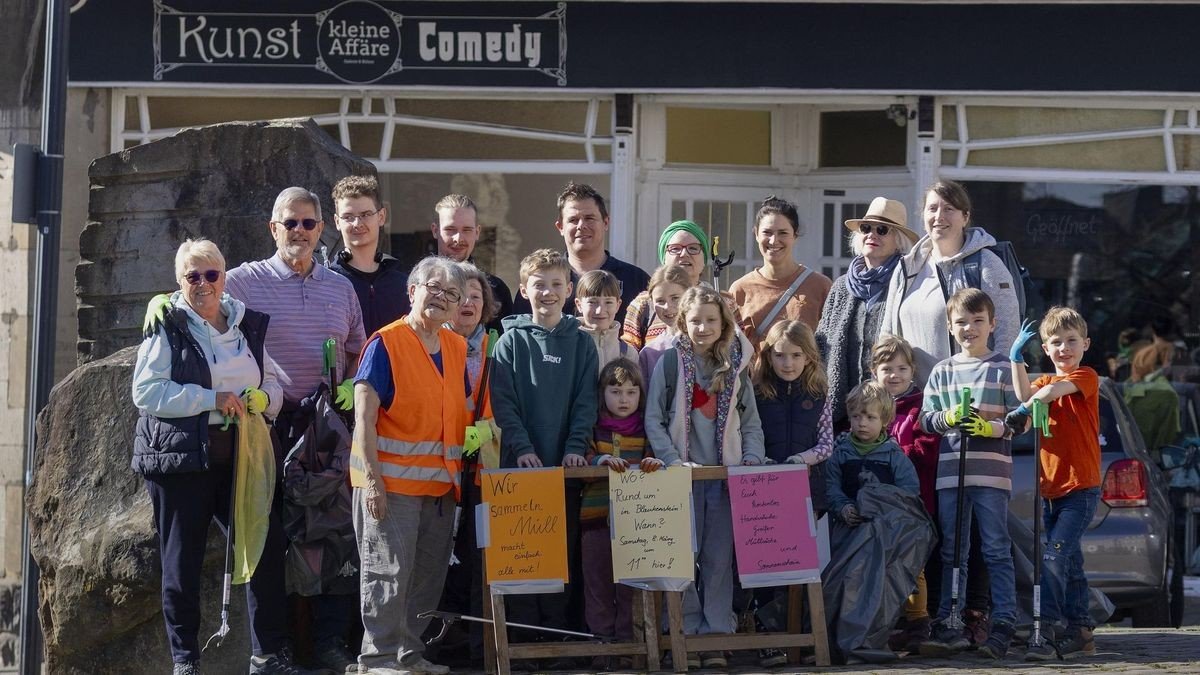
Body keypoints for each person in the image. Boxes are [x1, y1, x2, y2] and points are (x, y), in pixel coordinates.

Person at [132, 238, 298, 675]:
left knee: (266, 545)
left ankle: (267, 655)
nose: (203, 284)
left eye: (212, 274)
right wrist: (212, 398)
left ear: (225, 278)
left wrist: (262, 398)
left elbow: (277, 386)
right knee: (181, 561)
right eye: (193, 275)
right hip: (182, 459)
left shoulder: (247, 324)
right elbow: (146, 392)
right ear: (178, 281)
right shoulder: (167, 323)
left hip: (241, 457)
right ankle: (185, 661)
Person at [225, 186, 366, 672]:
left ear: (321, 229)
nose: (300, 232)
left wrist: (349, 386)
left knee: (332, 535)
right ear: (273, 228)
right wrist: (162, 302)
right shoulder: (243, 282)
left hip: (325, 426)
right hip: (268, 424)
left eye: (308, 223)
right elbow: (196, 298)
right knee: (266, 539)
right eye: (290, 223)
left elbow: (356, 350)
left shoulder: (340, 287)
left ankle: (329, 644)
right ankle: (271, 649)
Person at [349, 256, 470, 675]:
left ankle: (408, 656)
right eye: (432, 287)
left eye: (451, 293)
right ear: (412, 290)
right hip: (390, 486)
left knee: (426, 577)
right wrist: (372, 482)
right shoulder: (386, 343)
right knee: (387, 574)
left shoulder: (456, 347)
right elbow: (363, 418)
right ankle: (378, 659)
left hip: (439, 491)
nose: (441, 297)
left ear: (457, 307)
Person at [646, 286, 764, 670]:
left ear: (724, 323)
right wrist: (668, 458)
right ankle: (685, 632)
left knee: (717, 558)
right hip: (680, 478)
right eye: (695, 320)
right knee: (682, 557)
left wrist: (751, 457)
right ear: (683, 321)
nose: (702, 327)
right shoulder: (670, 363)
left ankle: (716, 634)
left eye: (711, 320)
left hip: (723, 478)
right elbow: (654, 419)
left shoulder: (735, 364)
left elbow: (750, 422)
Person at [490, 248, 599, 651]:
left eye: (556, 284)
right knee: (521, 557)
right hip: (519, 472)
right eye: (539, 285)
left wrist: (574, 448)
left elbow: (586, 402)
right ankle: (521, 644)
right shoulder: (508, 342)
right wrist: (520, 448)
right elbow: (504, 403)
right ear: (524, 289)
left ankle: (555, 643)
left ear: (569, 290)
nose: (548, 292)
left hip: (565, 471)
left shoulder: (583, 344)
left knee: (560, 556)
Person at [918, 288, 1021, 660]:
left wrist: (988, 427)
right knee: (952, 550)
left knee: (995, 548)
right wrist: (947, 419)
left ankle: (1005, 618)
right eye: (961, 321)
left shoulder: (1003, 368)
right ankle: (949, 619)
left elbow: (1017, 419)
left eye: (978, 321)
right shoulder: (942, 371)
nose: (969, 328)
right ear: (949, 326)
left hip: (991, 476)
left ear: (992, 324)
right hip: (951, 475)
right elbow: (925, 419)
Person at [1006, 307, 1101, 661]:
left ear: (1085, 344)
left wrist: (1021, 414)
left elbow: (1046, 395)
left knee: (1053, 560)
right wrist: (1017, 359)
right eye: (1055, 343)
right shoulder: (1043, 382)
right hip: (1051, 491)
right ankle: (1081, 631)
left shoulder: (1086, 376)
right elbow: (1023, 393)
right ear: (1045, 349)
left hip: (1081, 488)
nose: (1064, 348)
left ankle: (1043, 630)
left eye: (1071, 341)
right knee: (1071, 562)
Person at [749, 319, 833, 668]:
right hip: (764, 490)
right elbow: (748, 433)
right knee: (765, 565)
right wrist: (762, 461)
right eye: (780, 355)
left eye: (796, 355)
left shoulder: (818, 394)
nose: (788, 363)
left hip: (806, 489)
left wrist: (803, 459)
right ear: (769, 356)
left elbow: (827, 442)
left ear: (809, 357)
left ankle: (802, 634)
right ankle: (770, 635)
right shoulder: (757, 392)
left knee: (803, 565)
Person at [881, 180, 1020, 387]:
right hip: (911, 399)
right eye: (932, 208)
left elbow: (1007, 330)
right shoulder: (907, 267)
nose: (939, 216)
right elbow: (888, 333)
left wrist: (993, 386)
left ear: (965, 217)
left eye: (949, 209)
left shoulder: (986, 264)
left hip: (967, 395)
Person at [435, 262, 500, 667]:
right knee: (436, 563)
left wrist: (486, 429)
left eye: (476, 296)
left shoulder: (497, 346)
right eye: (461, 295)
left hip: (482, 473)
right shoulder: (430, 344)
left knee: (478, 563)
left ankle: (479, 651)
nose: (468, 303)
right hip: (437, 471)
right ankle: (436, 644)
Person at [580, 359, 663, 671]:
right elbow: (584, 462)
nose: (624, 399)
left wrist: (652, 464)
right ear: (603, 394)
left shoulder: (647, 431)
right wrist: (599, 461)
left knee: (630, 589)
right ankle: (602, 647)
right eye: (616, 392)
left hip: (635, 525)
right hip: (596, 520)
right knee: (597, 586)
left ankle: (630, 647)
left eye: (631, 392)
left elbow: (655, 462)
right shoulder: (593, 428)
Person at [816, 197, 920, 430]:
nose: (872, 234)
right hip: (842, 412)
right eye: (866, 228)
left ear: (898, 241)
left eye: (882, 230)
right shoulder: (842, 286)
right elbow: (821, 344)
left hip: (890, 414)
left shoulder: (908, 282)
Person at [871, 334, 941, 651]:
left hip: (913, 505)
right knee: (879, 565)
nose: (895, 375)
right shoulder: (866, 407)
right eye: (887, 368)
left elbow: (927, 452)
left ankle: (918, 624)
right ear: (874, 371)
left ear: (913, 371)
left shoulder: (920, 408)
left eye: (902, 368)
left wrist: (892, 454)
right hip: (876, 506)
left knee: (913, 567)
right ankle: (883, 624)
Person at [512, 183, 649, 326]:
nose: (581, 225)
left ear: (606, 222)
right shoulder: (538, 283)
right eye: (573, 220)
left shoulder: (636, 281)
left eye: (589, 218)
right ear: (560, 227)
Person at [731, 196, 832, 350]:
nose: (773, 240)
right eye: (767, 232)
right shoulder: (740, 290)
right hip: (758, 375)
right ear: (756, 234)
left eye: (783, 233)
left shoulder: (820, 286)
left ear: (795, 236)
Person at [328, 175, 410, 336]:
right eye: (348, 217)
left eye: (365, 214)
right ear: (337, 222)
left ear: (381, 217)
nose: (357, 224)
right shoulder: (328, 282)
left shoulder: (403, 285)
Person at [430, 193, 514, 331]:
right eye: (450, 229)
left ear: (477, 232)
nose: (458, 238)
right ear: (435, 230)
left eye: (467, 230)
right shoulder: (418, 286)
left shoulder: (496, 290)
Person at [622, 221, 709, 351]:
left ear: (705, 257)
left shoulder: (723, 302)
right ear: (664, 257)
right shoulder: (643, 304)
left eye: (693, 248)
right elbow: (629, 354)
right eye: (675, 249)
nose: (684, 254)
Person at [1123, 341, 1181, 462]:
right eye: (1169, 360)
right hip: (1151, 458)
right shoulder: (1165, 393)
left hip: (1127, 452)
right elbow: (1168, 434)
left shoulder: (1128, 386)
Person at [635, 264, 691, 381]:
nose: (667, 307)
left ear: (690, 296)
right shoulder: (649, 353)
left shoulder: (707, 342)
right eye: (660, 301)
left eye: (675, 298)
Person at [576, 269, 637, 371]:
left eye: (608, 302)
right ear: (579, 305)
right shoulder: (568, 347)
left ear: (618, 305)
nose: (600, 310)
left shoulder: (628, 354)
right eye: (592, 302)